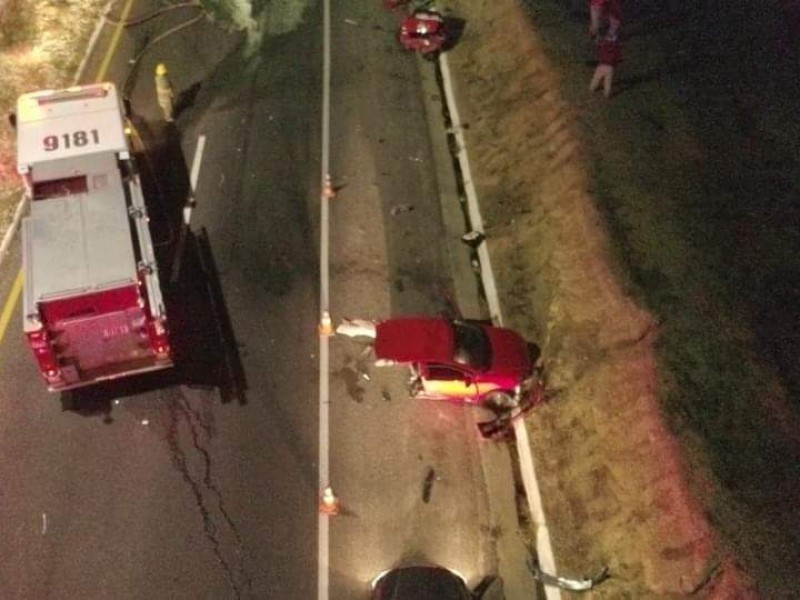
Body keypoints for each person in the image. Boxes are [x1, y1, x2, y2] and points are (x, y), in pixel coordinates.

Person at [590, 32, 622, 98]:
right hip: (610, 67)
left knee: (596, 77)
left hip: (601, 65)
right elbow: (618, 58)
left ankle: (592, 87)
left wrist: (597, 40)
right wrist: (615, 64)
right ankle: (607, 93)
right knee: (608, 81)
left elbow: (598, 47)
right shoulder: (616, 48)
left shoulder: (604, 45)